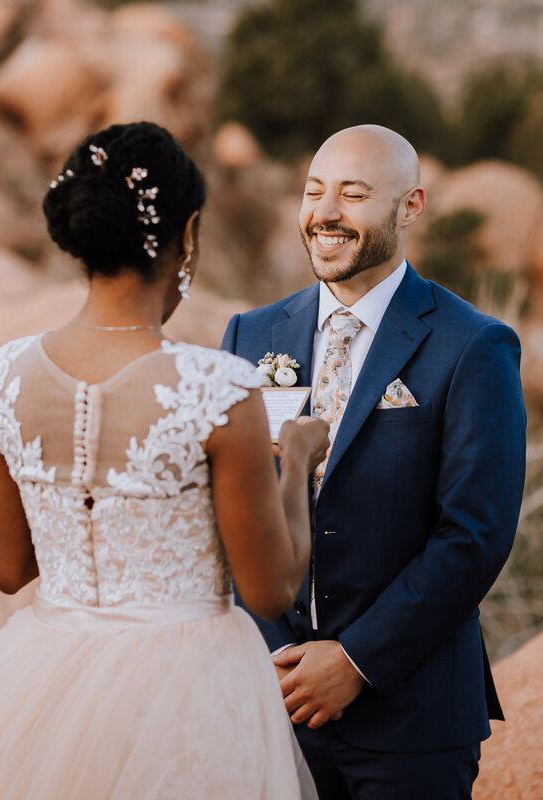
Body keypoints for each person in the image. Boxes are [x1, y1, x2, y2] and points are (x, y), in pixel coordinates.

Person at [0, 121, 327, 799]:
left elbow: (6, 569)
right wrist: (295, 461)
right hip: (188, 689)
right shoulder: (216, 389)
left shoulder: (2, 379)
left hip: (41, 680)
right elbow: (271, 590)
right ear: (189, 235)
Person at [221, 124, 527, 799]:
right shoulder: (252, 334)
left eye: (353, 195)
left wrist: (356, 661)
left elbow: (475, 533)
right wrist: (278, 656)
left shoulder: (474, 346)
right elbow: (232, 505)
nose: (325, 214)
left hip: (410, 720)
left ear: (410, 206)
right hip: (272, 706)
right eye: (313, 192)